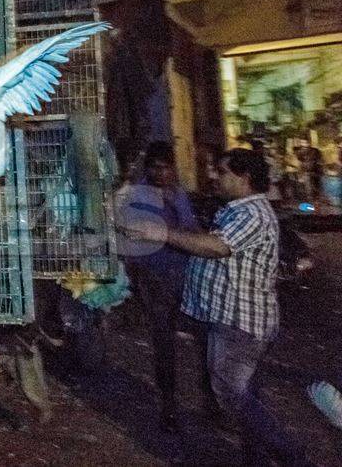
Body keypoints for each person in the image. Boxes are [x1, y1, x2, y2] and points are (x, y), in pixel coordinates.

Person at [124, 148, 311, 466]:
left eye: (222, 171)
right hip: (226, 315)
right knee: (246, 393)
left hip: (240, 321)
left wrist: (163, 233)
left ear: (244, 177)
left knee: (228, 389)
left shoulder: (251, 213)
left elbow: (217, 246)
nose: (214, 176)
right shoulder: (234, 210)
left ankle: (290, 453)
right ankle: (256, 457)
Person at [115, 141, 198, 432]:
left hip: (183, 278)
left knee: (200, 345)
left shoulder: (177, 193)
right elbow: (130, 238)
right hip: (154, 279)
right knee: (164, 347)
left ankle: (209, 402)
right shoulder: (138, 195)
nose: (162, 173)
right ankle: (169, 406)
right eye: (156, 167)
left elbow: (189, 229)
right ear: (148, 168)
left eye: (166, 167)